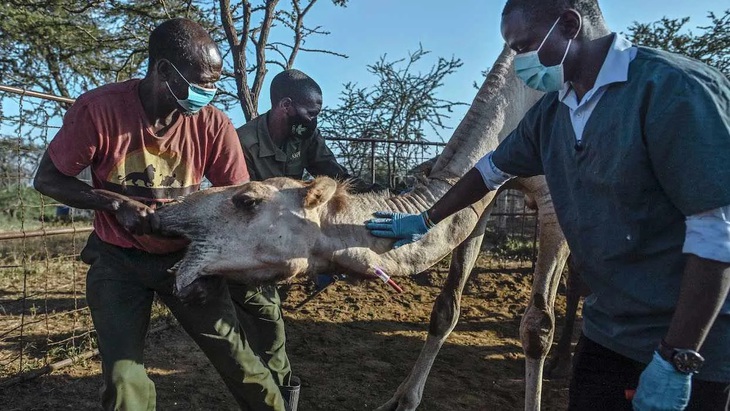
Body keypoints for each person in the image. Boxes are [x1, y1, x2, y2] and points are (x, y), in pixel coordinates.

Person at [366, 1, 730, 410]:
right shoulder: (554, 111)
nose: (519, 63)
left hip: (691, 342)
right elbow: (489, 171)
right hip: (607, 332)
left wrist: (677, 358)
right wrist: (426, 218)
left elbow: (717, 233)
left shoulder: (674, 90)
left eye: (524, 46)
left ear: (570, 25)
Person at [34, 18, 294, 411]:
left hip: (186, 258)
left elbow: (241, 205)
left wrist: (211, 268)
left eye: (214, 83)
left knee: (239, 362)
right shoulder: (99, 111)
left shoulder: (212, 124)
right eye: (200, 82)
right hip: (117, 258)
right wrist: (115, 204)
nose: (208, 93)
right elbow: (49, 179)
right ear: (163, 71)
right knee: (124, 380)